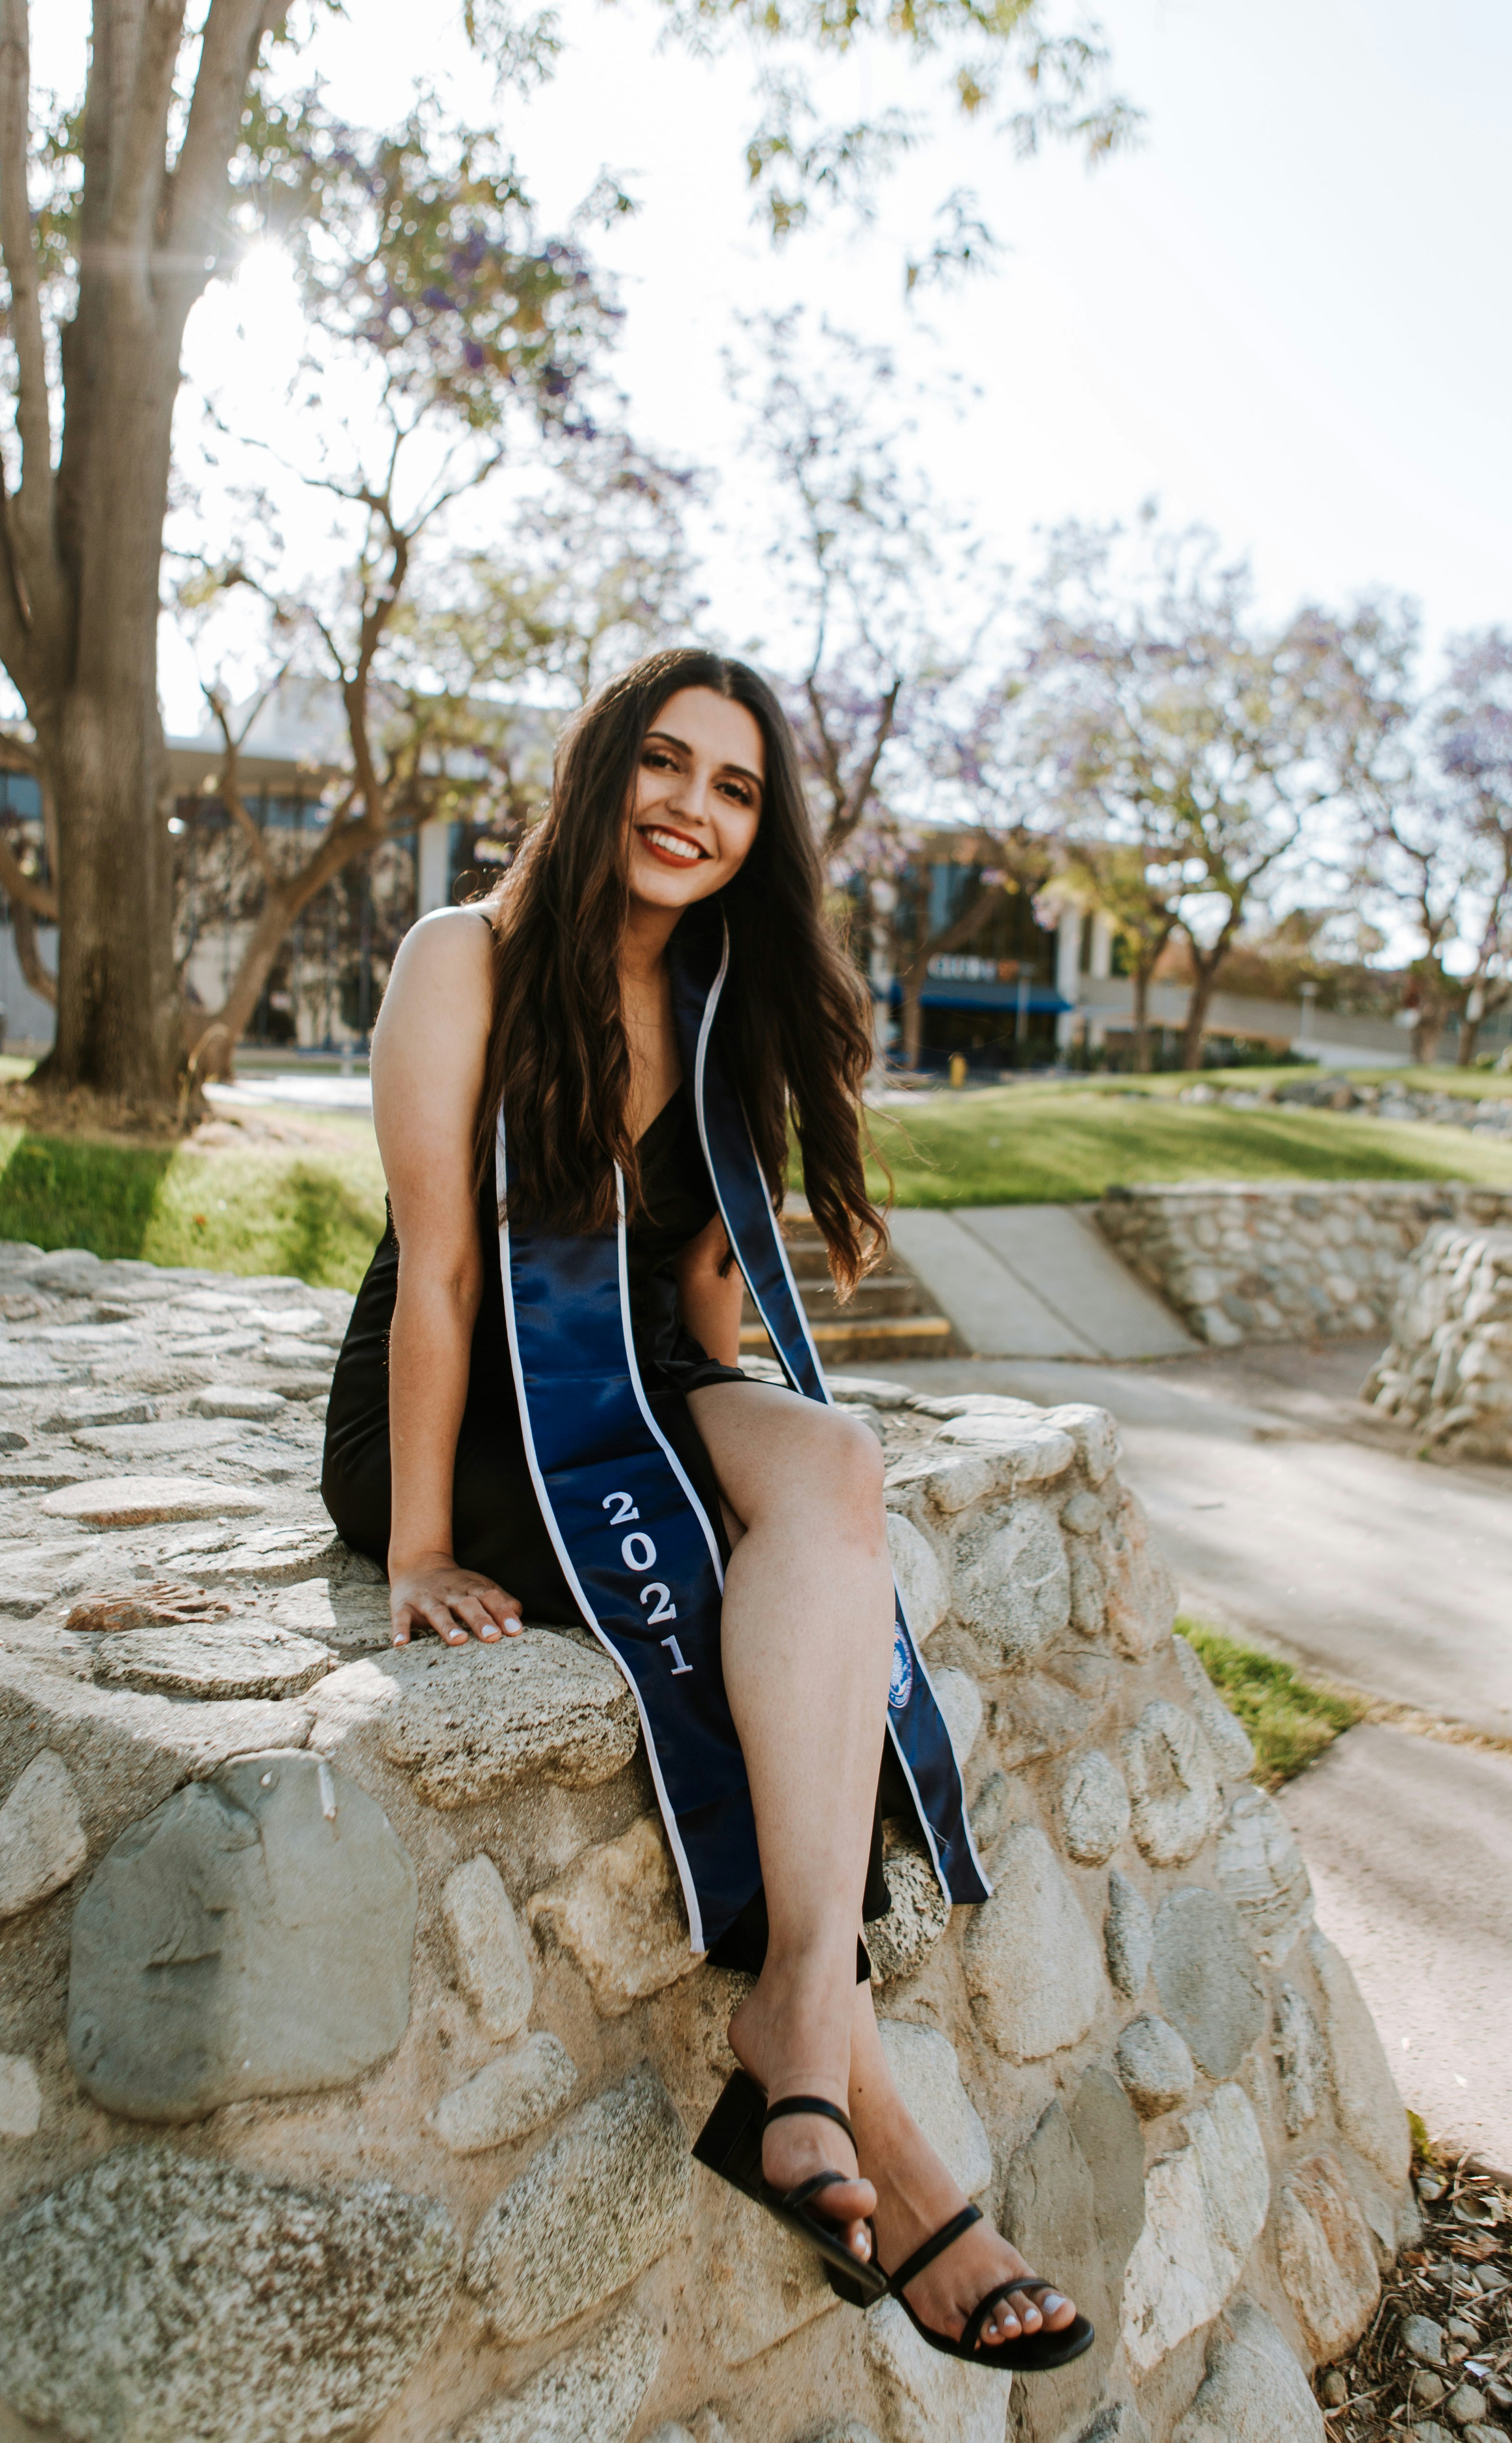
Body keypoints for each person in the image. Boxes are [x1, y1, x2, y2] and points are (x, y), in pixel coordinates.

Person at [322, 647, 1091, 2366]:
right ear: (603, 773)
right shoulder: (464, 957)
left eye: (734, 788)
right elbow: (442, 1273)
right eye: (665, 765)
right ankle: (894, 2157)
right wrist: (420, 1547)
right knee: (726, 1573)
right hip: (472, 1407)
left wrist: (758, 1484)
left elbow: (701, 1297)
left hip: (642, 1390)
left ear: (761, 830)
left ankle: (798, 2010)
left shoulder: (728, 997)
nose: (691, 808)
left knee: (832, 1466)